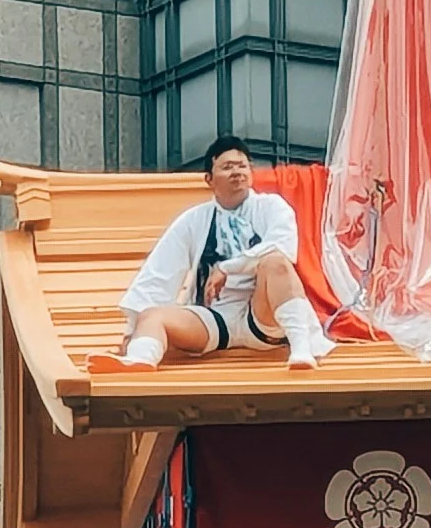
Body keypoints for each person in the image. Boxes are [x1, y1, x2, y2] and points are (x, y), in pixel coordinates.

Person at [115, 135, 334, 368]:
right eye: (227, 167)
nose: (237, 172)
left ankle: (302, 349)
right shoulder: (193, 220)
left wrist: (227, 267)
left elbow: (284, 247)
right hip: (216, 318)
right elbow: (160, 272)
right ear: (209, 179)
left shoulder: (272, 207)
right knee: (153, 316)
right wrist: (133, 329)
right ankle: (139, 359)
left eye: (242, 166)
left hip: (262, 314)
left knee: (275, 261)